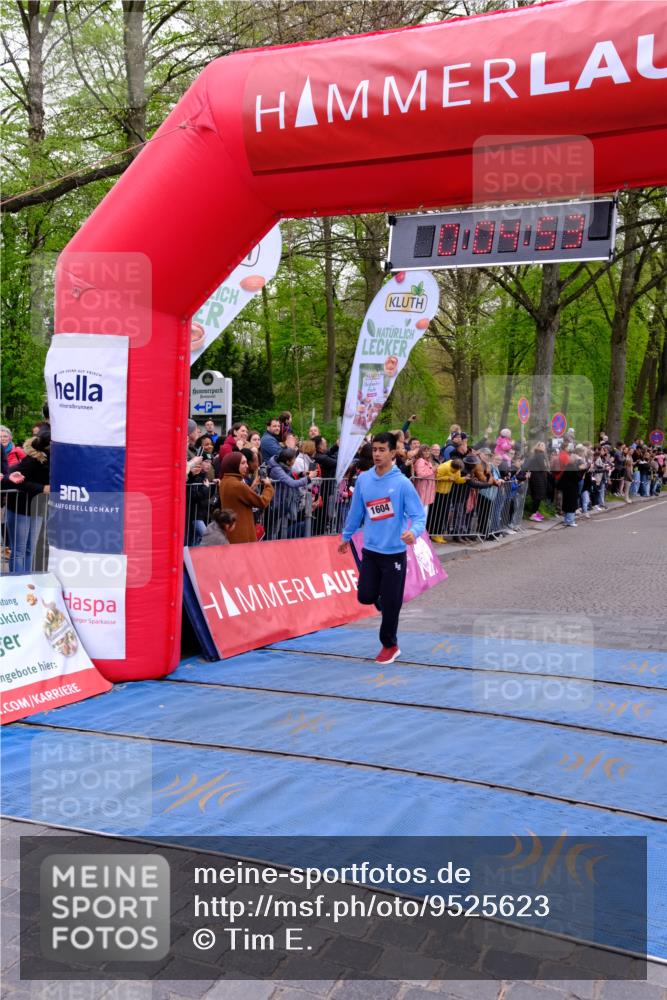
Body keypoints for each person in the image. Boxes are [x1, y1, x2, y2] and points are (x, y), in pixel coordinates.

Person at [338, 431, 425, 664]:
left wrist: (413, 532)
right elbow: (356, 512)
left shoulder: (402, 483)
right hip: (371, 551)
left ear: (393, 452)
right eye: (374, 449)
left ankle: (390, 645)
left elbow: (418, 516)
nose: (377, 454)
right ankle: (387, 599)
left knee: (390, 604)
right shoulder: (364, 480)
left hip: (394, 553)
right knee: (365, 596)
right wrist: (346, 536)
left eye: (382, 450)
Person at [4, 431, 50, 572]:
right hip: (20, 509)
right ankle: (17, 581)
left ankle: (28, 578)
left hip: (37, 509)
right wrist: (42, 488)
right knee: (19, 550)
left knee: (30, 549)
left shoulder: (51, 461)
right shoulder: (31, 461)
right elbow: (12, 481)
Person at [218, 451, 273, 542]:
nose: (247, 466)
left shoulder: (225, 481)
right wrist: (268, 486)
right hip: (242, 533)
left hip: (232, 530)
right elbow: (262, 502)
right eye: (243, 463)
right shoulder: (237, 485)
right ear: (234, 465)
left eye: (246, 462)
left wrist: (253, 486)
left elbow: (241, 499)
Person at [523, 442, 549, 522]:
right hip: (538, 478)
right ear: (537, 446)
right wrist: (546, 466)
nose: (543, 447)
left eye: (544, 445)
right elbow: (543, 467)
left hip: (536, 476)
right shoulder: (540, 455)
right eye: (541, 445)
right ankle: (533, 514)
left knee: (537, 496)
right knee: (538, 495)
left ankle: (535, 512)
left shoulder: (536, 454)